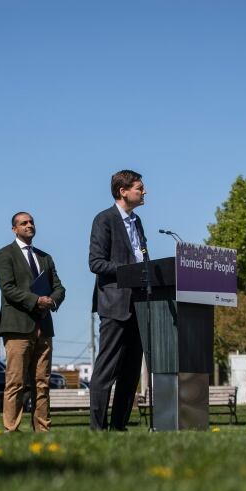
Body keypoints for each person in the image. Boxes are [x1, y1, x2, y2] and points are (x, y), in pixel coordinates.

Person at [0, 212, 65, 432]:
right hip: (17, 327)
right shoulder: (4, 254)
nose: (29, 225)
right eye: (24, 223)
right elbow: (8, 289)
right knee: (15, 382)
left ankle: (42, 431)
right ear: (14, 229)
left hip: (43, 327)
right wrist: (36, 300)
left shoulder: (45, 257)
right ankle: (11, 429)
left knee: (42, 384)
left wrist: (51, 300)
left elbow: (59, 287)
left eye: (32, 222)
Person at [88, 169, 147, 431]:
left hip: (140, 306)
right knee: (106, 369)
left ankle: (119, 425)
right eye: (139, 188)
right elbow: (96, 263)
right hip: (114, 305)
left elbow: (141, 257)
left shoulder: (137, 222)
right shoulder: (104, 220)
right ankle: (97, 429)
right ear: (123, 191)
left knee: (131, 371)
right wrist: (130, 271)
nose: (144, 192)